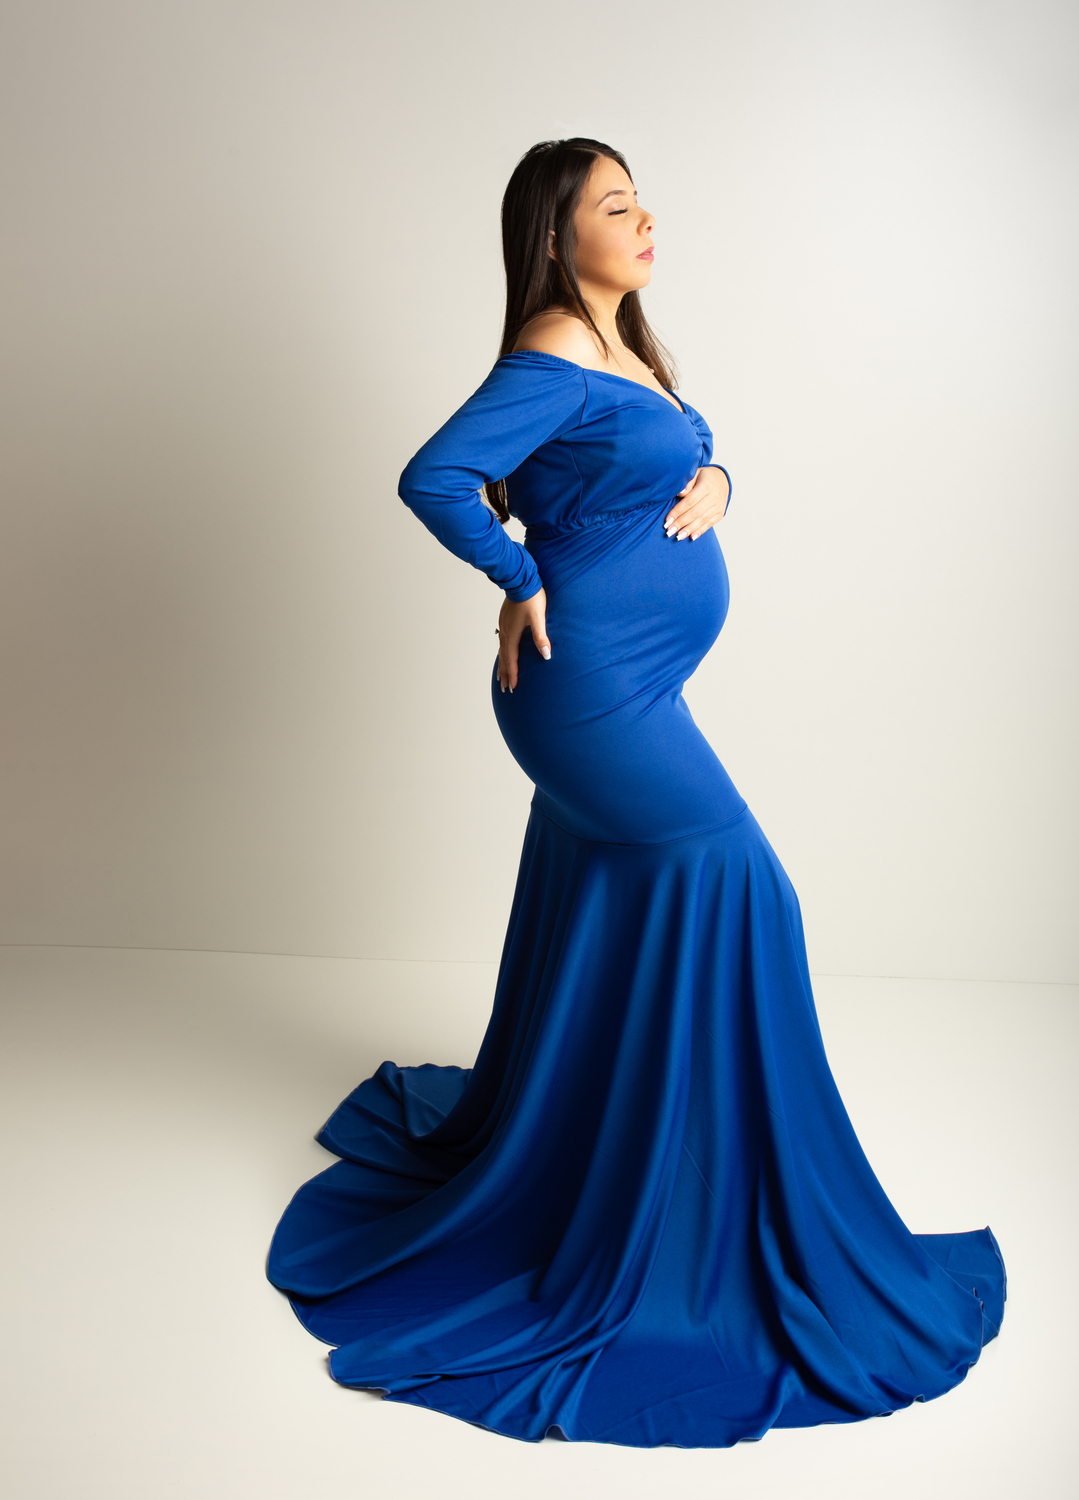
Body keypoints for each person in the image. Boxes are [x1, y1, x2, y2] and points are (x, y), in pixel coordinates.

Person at [266, 137, 1005, 1448]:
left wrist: (718, 478)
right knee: (745, 887)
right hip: (590, 690)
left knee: (630, 898)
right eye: (616, 205)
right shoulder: (554, 346)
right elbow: (434, 475)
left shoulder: (622, 346)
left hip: (638, 685)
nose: (645, 217)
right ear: (557, 238)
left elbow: (681, 442)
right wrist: (518, 576)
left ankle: (624, 1158)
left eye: (641, 196)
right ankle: (697, 1213)